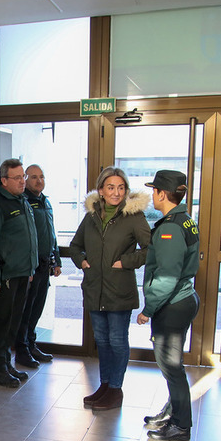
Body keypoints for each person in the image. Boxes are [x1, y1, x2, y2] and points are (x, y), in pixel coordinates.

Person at [70, 166, 151, 410]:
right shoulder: (91, 216)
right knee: (102, 341)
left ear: (126, 191)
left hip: (119, 289)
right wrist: (82, 261)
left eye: (121, 188)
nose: (116, 193)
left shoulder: (133, 217)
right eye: (111, 187)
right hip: (94, 288)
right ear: (101, 191)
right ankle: (104, 386)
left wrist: (126, 261)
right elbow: (75, 245)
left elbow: (150, 249)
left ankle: (116, 389)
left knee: (117, 340)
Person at [137, 169, 200, 441]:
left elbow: (166, 277)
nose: (152, 195)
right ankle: (173, 411)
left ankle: (180, 425)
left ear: (163, 194)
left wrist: (147, 310)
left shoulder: (171, 229)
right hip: (183, 299)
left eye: (154, 190)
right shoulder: (184, 220)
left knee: (172, 367)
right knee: (172, 366)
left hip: (172, 303)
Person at [0, 159, 37, 388]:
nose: (23, 181)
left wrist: (30, 269)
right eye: (18, 177)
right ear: (4, 180)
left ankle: (6, 363)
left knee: (14, 322)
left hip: (22, 274)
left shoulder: (22, 201)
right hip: (4, 277)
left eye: (23, 177)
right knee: (1, 324)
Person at [16, 164, 62, 368]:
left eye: (41, 177)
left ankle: (31, 344)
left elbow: (51, 233)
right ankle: (22, 350)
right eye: (33, 177)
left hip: (45, 264)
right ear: (25, 179)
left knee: (37, 309)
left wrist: (57, 259)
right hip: (30, 267)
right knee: (25, 311)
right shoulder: (23, 201)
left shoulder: (46, 202)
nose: (38, 180)